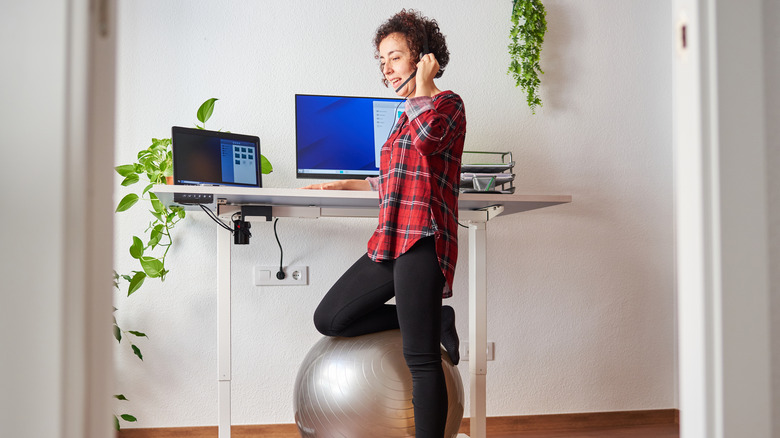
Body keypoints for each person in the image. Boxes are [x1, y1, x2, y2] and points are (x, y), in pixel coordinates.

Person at [302, 9, 466, 438]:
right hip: (392, 240)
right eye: (382, 60)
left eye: (394, 57)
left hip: (425, 238)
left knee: (421, 358)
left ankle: (430, 323)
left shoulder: (446, 104)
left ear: (423, 57)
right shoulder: (402, 116)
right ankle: (437, 316)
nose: (386, 68)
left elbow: (430, 141)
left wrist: (424, 88)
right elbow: (393, 178)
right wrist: (346, 185)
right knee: (330, 318)